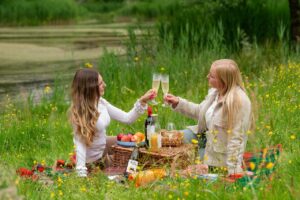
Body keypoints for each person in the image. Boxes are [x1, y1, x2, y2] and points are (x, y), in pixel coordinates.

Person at [164, 59, 252, 175]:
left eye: (212, 76)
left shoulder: (238, 102)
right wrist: (177, 102)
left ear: (223, 81)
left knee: (185, 169)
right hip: (203, 137)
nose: (207, 77)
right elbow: (200, 111)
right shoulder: (216, 92)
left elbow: (237, 138)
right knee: (168, 139)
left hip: (217, 154)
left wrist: (234, 172)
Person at [69, 68, 156, 177]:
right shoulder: (81, 112)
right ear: (90, 88)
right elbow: (80, 144)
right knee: (132, 167)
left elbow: (127, 118)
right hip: (94, 161)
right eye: (100, 83)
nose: (104, 85)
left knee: (136, 141)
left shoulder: (101, 102)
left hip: (102, 147)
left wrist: (143, 100)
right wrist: (81, 173)